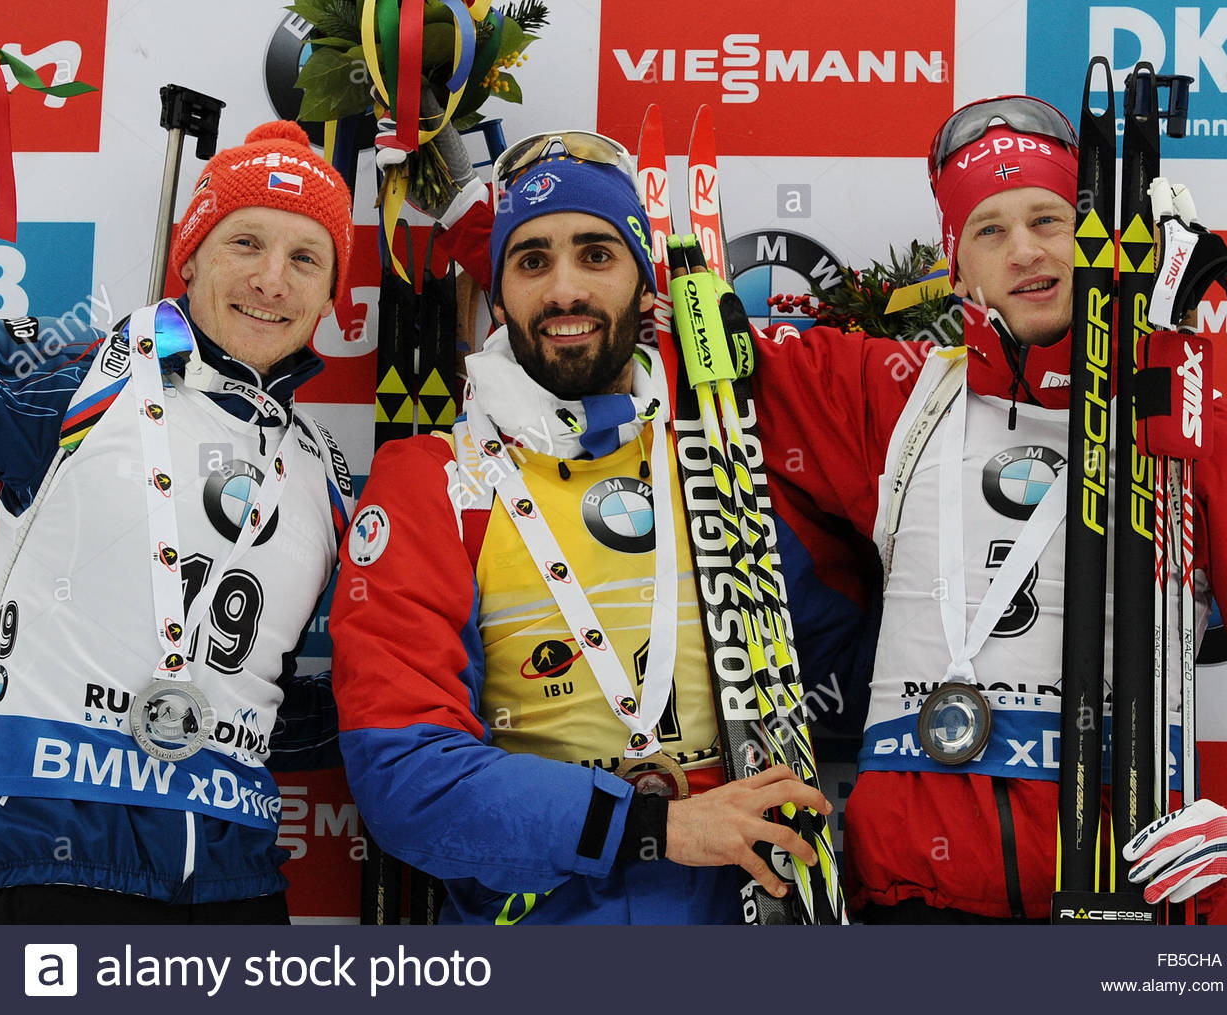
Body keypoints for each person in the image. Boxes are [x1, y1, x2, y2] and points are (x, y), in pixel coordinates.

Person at [751, 95, 1227, 921]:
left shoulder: (1191, 432)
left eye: (1049, 218)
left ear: (1099, 235)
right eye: (989, 230)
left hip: (1122, 906)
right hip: (911, 914)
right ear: (956, 265)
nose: (1026, 251)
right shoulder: (892, 400)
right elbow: (686, 358)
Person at [329, 131, 874, 924]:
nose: (564, 290)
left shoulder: (718, 460)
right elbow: (406, 773)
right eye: (532, 260)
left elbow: (843, 673)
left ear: (644, 282)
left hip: (729, 914)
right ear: (503, 291)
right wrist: (649, 824)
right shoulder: (436, 481)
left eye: (596, 254)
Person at [0, 121, 356, 923]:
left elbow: (275, 703)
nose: (271, 280)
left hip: (237, 885)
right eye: (246, 242)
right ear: (190, 257)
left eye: (305, 258)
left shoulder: (327, 473)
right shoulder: (81, 378)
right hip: (41, 866)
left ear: (331, 295)